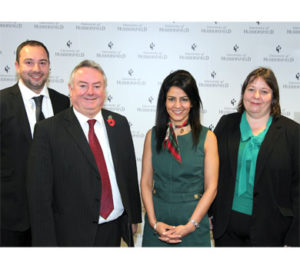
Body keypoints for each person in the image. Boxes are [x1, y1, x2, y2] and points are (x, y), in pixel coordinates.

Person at [27, 59, 142, 246]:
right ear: (70, 89)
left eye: (97, 86)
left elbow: (129, 173)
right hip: (69, 234)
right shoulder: (48, 130)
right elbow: (39, 196)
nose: (90, 92)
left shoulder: (119, 124)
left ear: (104, 90)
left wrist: (133, 217)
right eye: (83, 85)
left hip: (113, 229)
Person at [211, 67, 300, 247]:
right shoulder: (226, 124)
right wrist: (210, 213)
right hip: (226, 230)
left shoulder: (292, 132)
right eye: (251, 89)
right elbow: (211, 173)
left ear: (273, 97)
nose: (256, 96)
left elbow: (298, 188)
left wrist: (295, 237)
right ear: (243, 92)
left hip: (273, 232)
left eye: (264, 91)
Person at [0, 40, 70, 247]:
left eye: (42, 63)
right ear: (17, 66)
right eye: (29, 62)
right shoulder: (2, 102)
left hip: (56, 216)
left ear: (49, 66)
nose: (36, 69)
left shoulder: (64, 103)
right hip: (10, 218)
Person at [141, 70, 219, 247]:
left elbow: (211, 188)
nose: (177, 105)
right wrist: (154, 223)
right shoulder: (152, 136)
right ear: (164, 102)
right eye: (171, 99)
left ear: (192, 102)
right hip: (158, 225)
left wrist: (191, 225)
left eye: (184, 99)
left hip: (194, 225)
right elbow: (145, 183)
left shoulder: (208, 138)